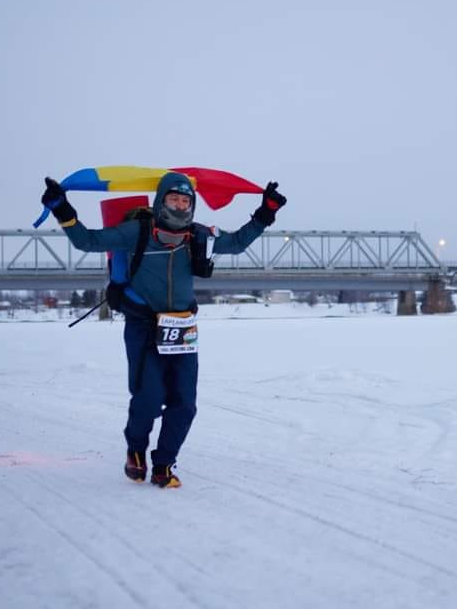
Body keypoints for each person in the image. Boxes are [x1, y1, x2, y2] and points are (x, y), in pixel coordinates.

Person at [40, 172, 287, 487]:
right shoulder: (136, 232)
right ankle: (136, 452)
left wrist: (266, 212)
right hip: (144, 326)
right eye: (174, 199)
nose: (180, 205)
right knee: (148, 397)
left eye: (186, 200)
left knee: (184, 404)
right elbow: (87, 240)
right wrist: (63, 209)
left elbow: (237, 243)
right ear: (161, 201)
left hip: (182, 329)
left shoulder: (199, 236)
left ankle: (164, 464)